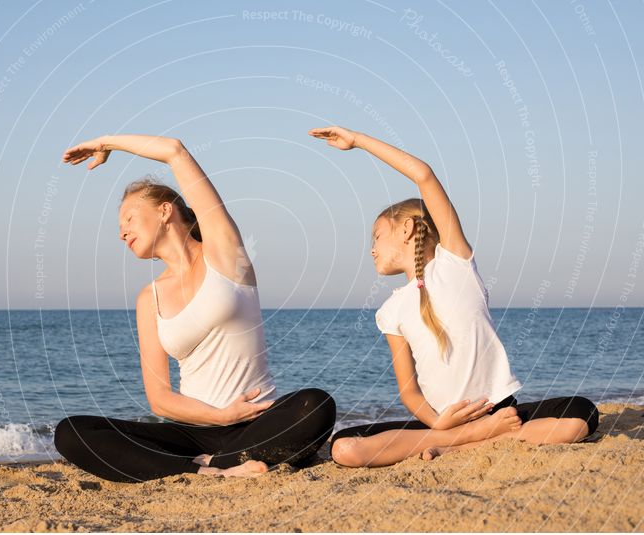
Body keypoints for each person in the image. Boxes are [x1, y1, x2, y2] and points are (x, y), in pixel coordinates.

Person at [308, 125, 598, 467]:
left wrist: (357, 141)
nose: (371, 249)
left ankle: (459, 444)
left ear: (407, 229)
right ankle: (463, 439)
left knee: (582, 413)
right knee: (343, 446)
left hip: (498, 412)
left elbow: (423, 175)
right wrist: (437, 423)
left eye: (377, 236)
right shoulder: (390, 310)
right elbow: (409, 391)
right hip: (443, 424)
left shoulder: (455, 263)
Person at [53, 133, 336, 482]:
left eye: (128, 218)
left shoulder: (225, 255)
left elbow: (174, 150)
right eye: (119, 226)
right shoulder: (149, 298)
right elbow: (159, 399)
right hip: (192, 434)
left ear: (164, 210)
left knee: (316, 406)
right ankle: (210, 470)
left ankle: (215, 464)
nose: (121, 232)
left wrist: (109, 142)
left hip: (255, 420)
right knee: (71, 432)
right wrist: (220, 416)